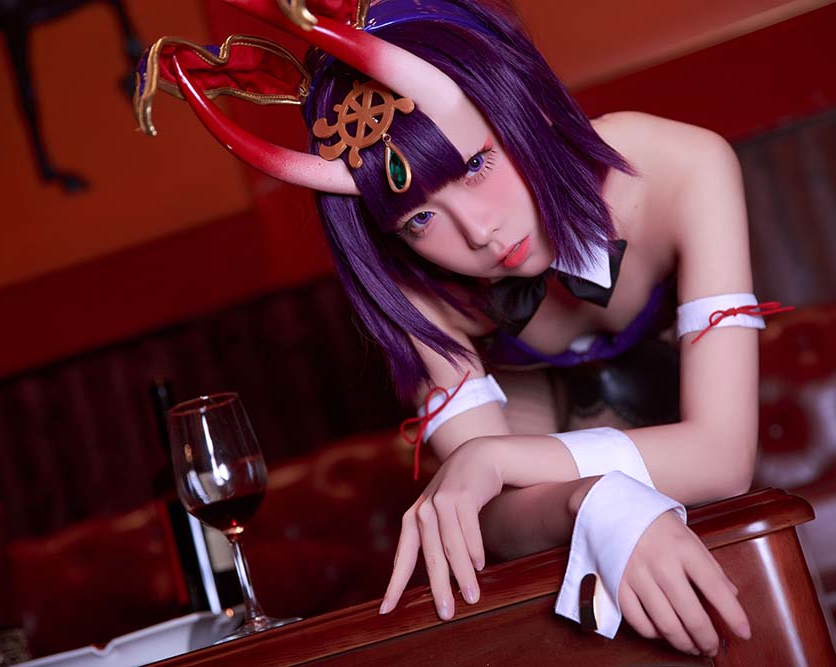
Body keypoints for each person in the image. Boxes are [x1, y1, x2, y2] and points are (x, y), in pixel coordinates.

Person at [134, 0, 790, 656]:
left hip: (684, 416)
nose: (478, 232)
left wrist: (496, 457)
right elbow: (488, 519)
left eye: (476, 164)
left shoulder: (680, 166)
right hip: (549, 446)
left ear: (521, 106)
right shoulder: (417, 287)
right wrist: (590, 501)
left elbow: (722, 459)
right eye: (419, 219)